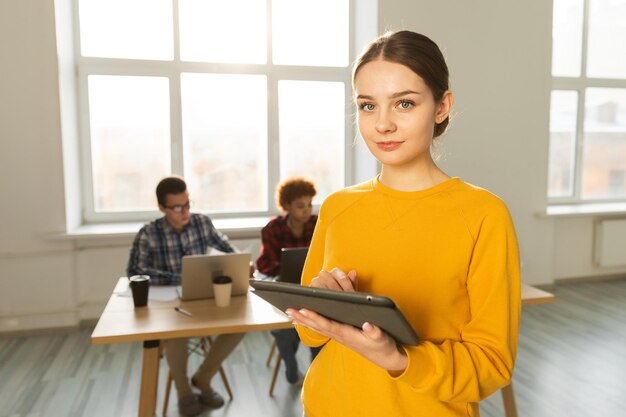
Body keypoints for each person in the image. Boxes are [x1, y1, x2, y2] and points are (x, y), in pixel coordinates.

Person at [288, 30, 521, 416]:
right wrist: (319, 306)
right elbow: (309, 334)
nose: (382, 125)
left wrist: (397, 359)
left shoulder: (484, 214)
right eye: (367, 106)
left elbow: (492, 365)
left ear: (442, 106)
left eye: (404, 104)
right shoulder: (337, 207)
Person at [127, 176, 245, 417]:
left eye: (187, 204)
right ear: (162, 207)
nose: (185, 212)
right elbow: (135, 272)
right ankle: (183, 392)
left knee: (240, 324)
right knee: (176, 333)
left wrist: (241, 264)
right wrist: (179, 277)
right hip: (170, 305)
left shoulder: (202, 223)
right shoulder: (148, 233)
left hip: (203, 298)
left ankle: (203, 377)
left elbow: (227, 249)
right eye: (177, 207)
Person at [255, 177, 322, 386]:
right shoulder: (273, 228)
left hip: (313, 290)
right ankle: (291, 369)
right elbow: (264, 263)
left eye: (309, 204)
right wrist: (284, 269)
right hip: (285, 290)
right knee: (285, 330)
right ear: (287, 206)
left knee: (318, 326)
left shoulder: (318, 224)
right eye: (300, 206)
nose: (307, 210)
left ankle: (315, 374)